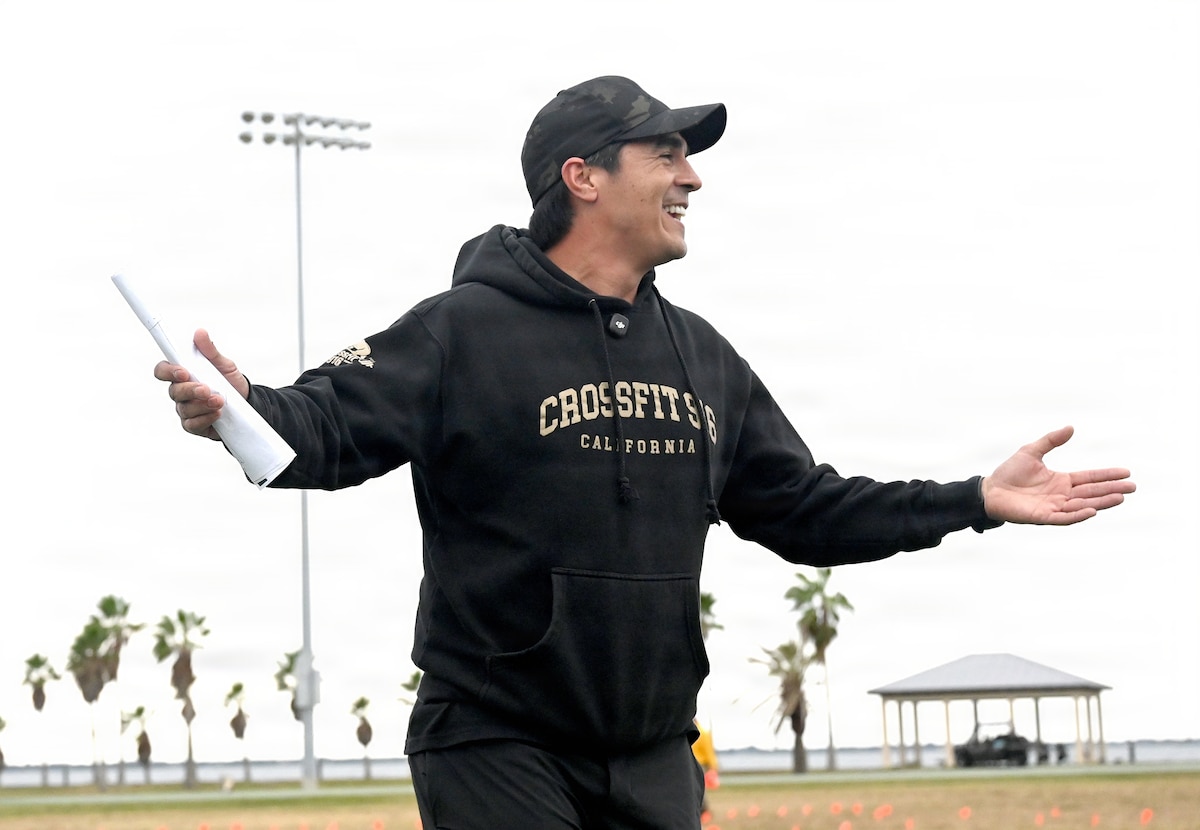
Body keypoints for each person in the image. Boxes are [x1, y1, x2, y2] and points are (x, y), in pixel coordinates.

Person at [154, 76, 1134, 829]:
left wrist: (973, 496)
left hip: (655, 753)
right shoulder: (462, 329)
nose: (693, 175)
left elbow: (801, 507)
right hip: (497, 742)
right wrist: (239, 408)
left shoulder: (702, 355)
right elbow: (316, 430)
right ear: (581, 175)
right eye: (666, 152)